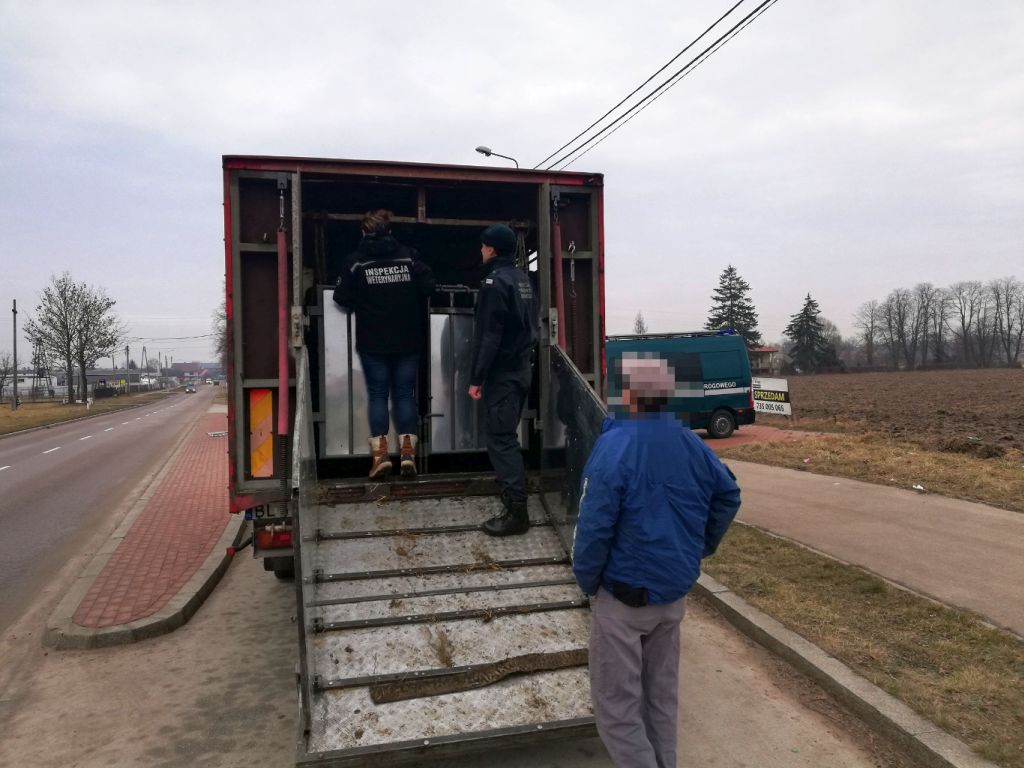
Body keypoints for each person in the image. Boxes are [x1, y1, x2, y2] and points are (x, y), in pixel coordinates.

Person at [572, 353, 741, 768]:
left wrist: (587, 580)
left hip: (624, 599)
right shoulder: (690, 442)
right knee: (660, 701)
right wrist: (697, 548)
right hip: (672, 599)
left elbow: (593, 527)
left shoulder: (615, 446)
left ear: (625, 394)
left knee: (618, 712)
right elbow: (728, 495)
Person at [333, 209, 435, 478]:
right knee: (404, 394)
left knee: (378, 394)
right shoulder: (409, 256)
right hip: (408, 340)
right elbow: (429, 286)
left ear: (364, 232)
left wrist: (364, 301)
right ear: (389, 231)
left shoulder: (356, 261)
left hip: (372, 342)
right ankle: (408, 455)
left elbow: (341, 297)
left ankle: (380, 457)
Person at [468, 224, 538, 537]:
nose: (481, 251)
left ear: (492, 249)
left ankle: (517, 513)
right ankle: (513, 503)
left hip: (503, 374)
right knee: (506, 435)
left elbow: (489, 336)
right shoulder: (523, 279)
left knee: (501, 439)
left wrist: (476, 378)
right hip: (522, 369)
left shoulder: (493, 283)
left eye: (483, 246)